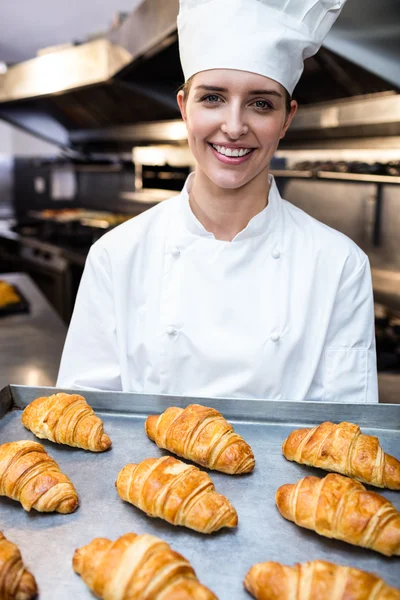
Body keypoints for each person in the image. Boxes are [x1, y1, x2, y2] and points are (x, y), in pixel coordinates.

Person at [57, 0, 378, 403]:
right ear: (184, 109)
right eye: (212, 98)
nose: (234, 126)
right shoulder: (116, 256)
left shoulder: (339, 266)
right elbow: (83, 416)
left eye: (260, 103)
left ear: (286, 119)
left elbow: (345, 434)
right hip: (140, 469)